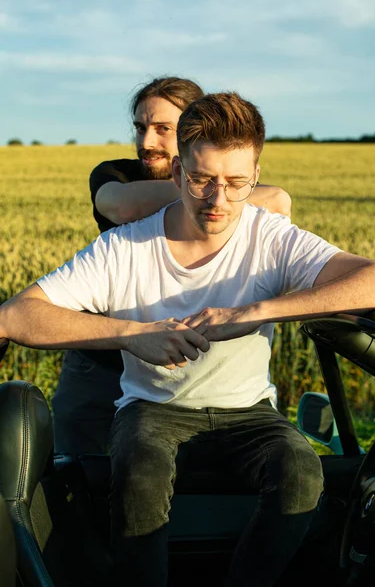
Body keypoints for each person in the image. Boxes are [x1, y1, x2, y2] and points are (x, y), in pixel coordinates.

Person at [3, 91, 375, 587]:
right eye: (201, 180)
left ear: (256, 177)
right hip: (151, 408)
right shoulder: (125, 246)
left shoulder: (270, 235)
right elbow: (17, 315)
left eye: (236, 184)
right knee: (139, 473)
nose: (218, 201)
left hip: (249, 412)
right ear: (176, 175)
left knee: (302, 472)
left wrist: (254, 312)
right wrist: (132, 335)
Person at [53, 76, 292, 456]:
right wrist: (202, 185)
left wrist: (202, 182)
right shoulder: (114, 174)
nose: (146, 142)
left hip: (181, 376)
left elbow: (279, 203)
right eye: (140, 127)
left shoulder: (216, 187)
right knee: (83, 476)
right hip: (99, 364)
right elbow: (123, 206)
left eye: (164, 129)